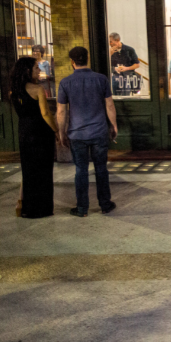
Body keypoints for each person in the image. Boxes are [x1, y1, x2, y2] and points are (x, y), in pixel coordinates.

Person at [56, 46, 118, 217]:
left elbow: (61, 111)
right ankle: (105, 204)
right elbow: (110, 105)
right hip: (98, 132)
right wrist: (113, 125)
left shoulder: (65, 83)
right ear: (87, 59)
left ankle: (82, 208)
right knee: (101, 169)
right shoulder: (101, 79)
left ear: (72, 62)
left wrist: (61, 133)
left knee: (80, 170)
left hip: (77, 134)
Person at [11, 57, 58, 219]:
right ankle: (42, 208)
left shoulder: (13, 91)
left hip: (24, 131)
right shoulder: (37, 89)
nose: (39, 71)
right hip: (40, 133)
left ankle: (28, 207)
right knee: (43, 171)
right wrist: (56, 130)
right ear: (27, 71)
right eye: (36, 68)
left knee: (29, 170)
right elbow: (45, 113)